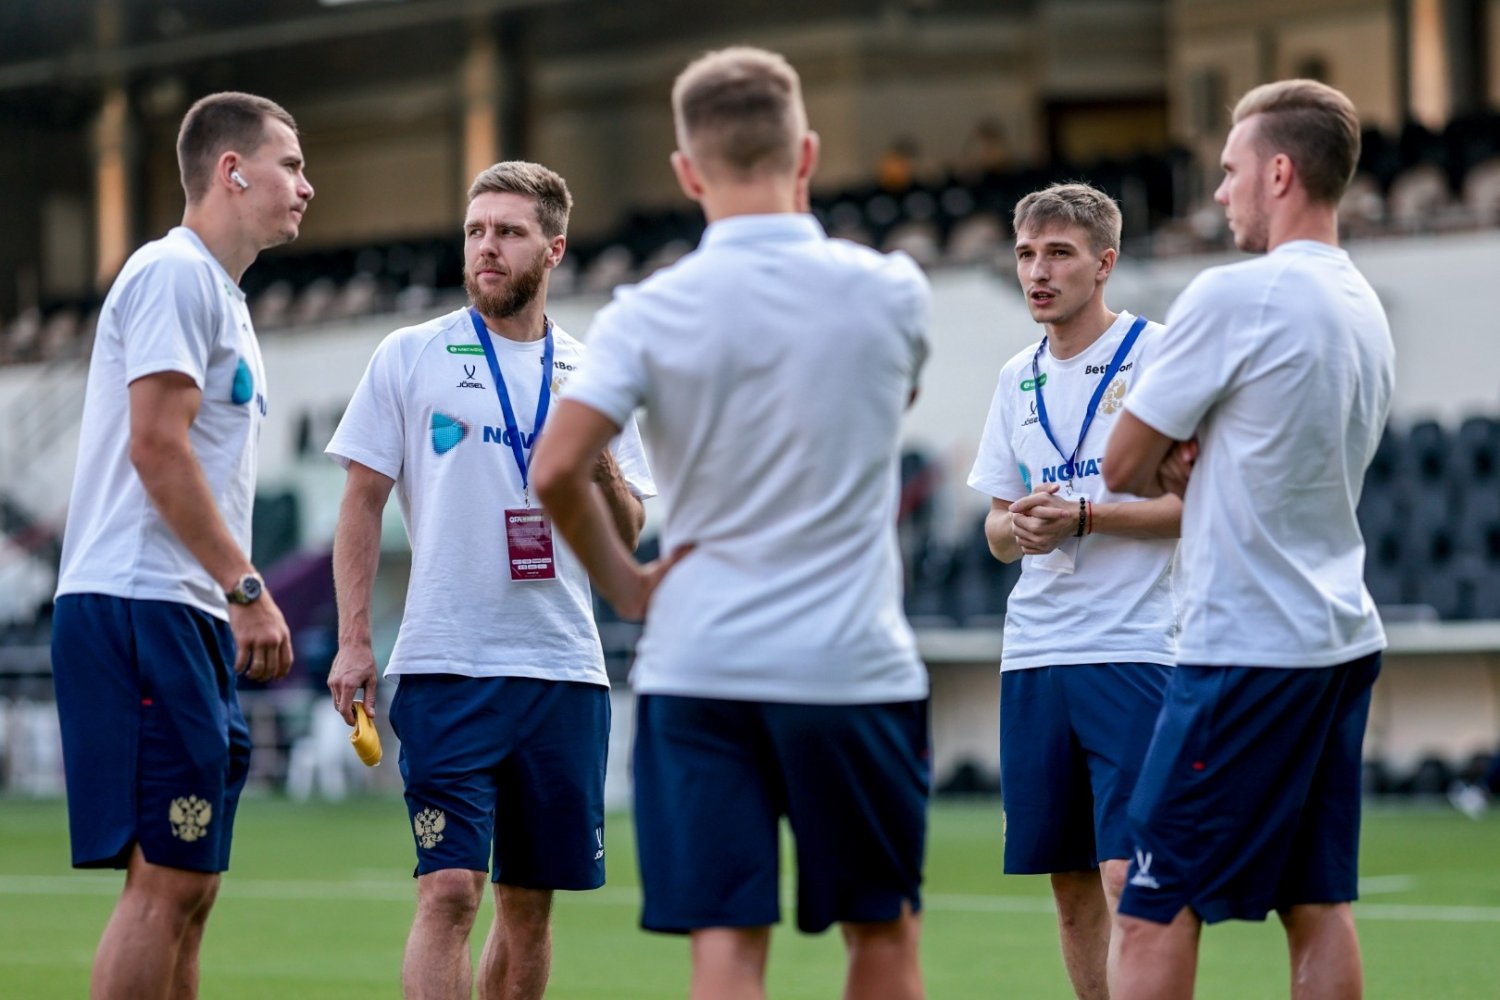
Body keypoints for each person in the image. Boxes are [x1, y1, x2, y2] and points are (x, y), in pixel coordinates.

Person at [531, 46, 933, 1000]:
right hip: (849, 666)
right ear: (807, 155)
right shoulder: (893, 290)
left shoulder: (645, 312)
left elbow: (554, 468)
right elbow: (892, 404)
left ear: (686, 172)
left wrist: (626, 584)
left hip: (699, 665)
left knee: (725, 944)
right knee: (881, 935)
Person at [324, 160, 654, 1000]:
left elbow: (628, 533)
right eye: (475, 231)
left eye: (508, 232)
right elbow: (361, 502)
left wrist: (600, 460)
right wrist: (355, 639)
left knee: (529, 908)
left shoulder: (596, 374)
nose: (486, 247)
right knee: (449, 889)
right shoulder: (411, 354)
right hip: (447, 664)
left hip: (563, 670)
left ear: (554, 249)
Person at [1102, 79, 1394, 1000]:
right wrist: (1195, 453)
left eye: (1230, 171)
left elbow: (1121, 463)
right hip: (1337, 635)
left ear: (1279, 172)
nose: (1220, 193)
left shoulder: (1239, 294)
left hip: (1246, 647)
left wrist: (1175, 452)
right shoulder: (1364, 304)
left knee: (1151, 905)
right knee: (1317, 903)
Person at [50, 91, 312, 999]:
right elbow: (156, 447)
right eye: (291, 164)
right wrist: (248, 588)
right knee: (166, 879)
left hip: (181, 607)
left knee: (192, 884)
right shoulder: (174, 273)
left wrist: (225, 598)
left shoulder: (223, 297)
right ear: (231, 170)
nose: (306, 186)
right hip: (140, 600)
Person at [967, 181, 1179, 1000]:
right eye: (1026, 254)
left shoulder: (1157, 354)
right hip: (1035, 654)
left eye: (1059, 253)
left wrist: (1086, 516)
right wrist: (1020, 527)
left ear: (1105, 263)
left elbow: (1197, 509)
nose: (1037, 272)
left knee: (1129, 875)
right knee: (1070, 885)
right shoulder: (1015, 375)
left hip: (1134, 650)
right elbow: (994, 525)